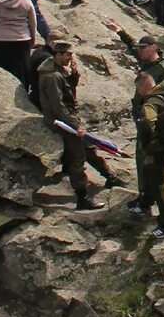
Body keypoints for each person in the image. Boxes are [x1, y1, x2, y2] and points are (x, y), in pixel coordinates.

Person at [34, 40, 118, 210]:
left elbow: (68, 92)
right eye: (67, 55)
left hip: (69, 119)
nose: (70, 58)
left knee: (88, 148)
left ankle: (110, 177)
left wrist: (74, 75)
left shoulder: (58, 72)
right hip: (62, 122)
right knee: (77, 158)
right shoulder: (51, 76)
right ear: (57, 55)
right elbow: (58, 106)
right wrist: (74, 125)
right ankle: (82, 197)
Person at [130, 68, 164, 240]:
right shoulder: (163, 93)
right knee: (150, 176)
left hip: (157, 148)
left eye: (137, 89)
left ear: (142, 87)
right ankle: (144, 204)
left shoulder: (150, 102)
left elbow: (149, 122)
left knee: (159, 184)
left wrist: (147, 142)